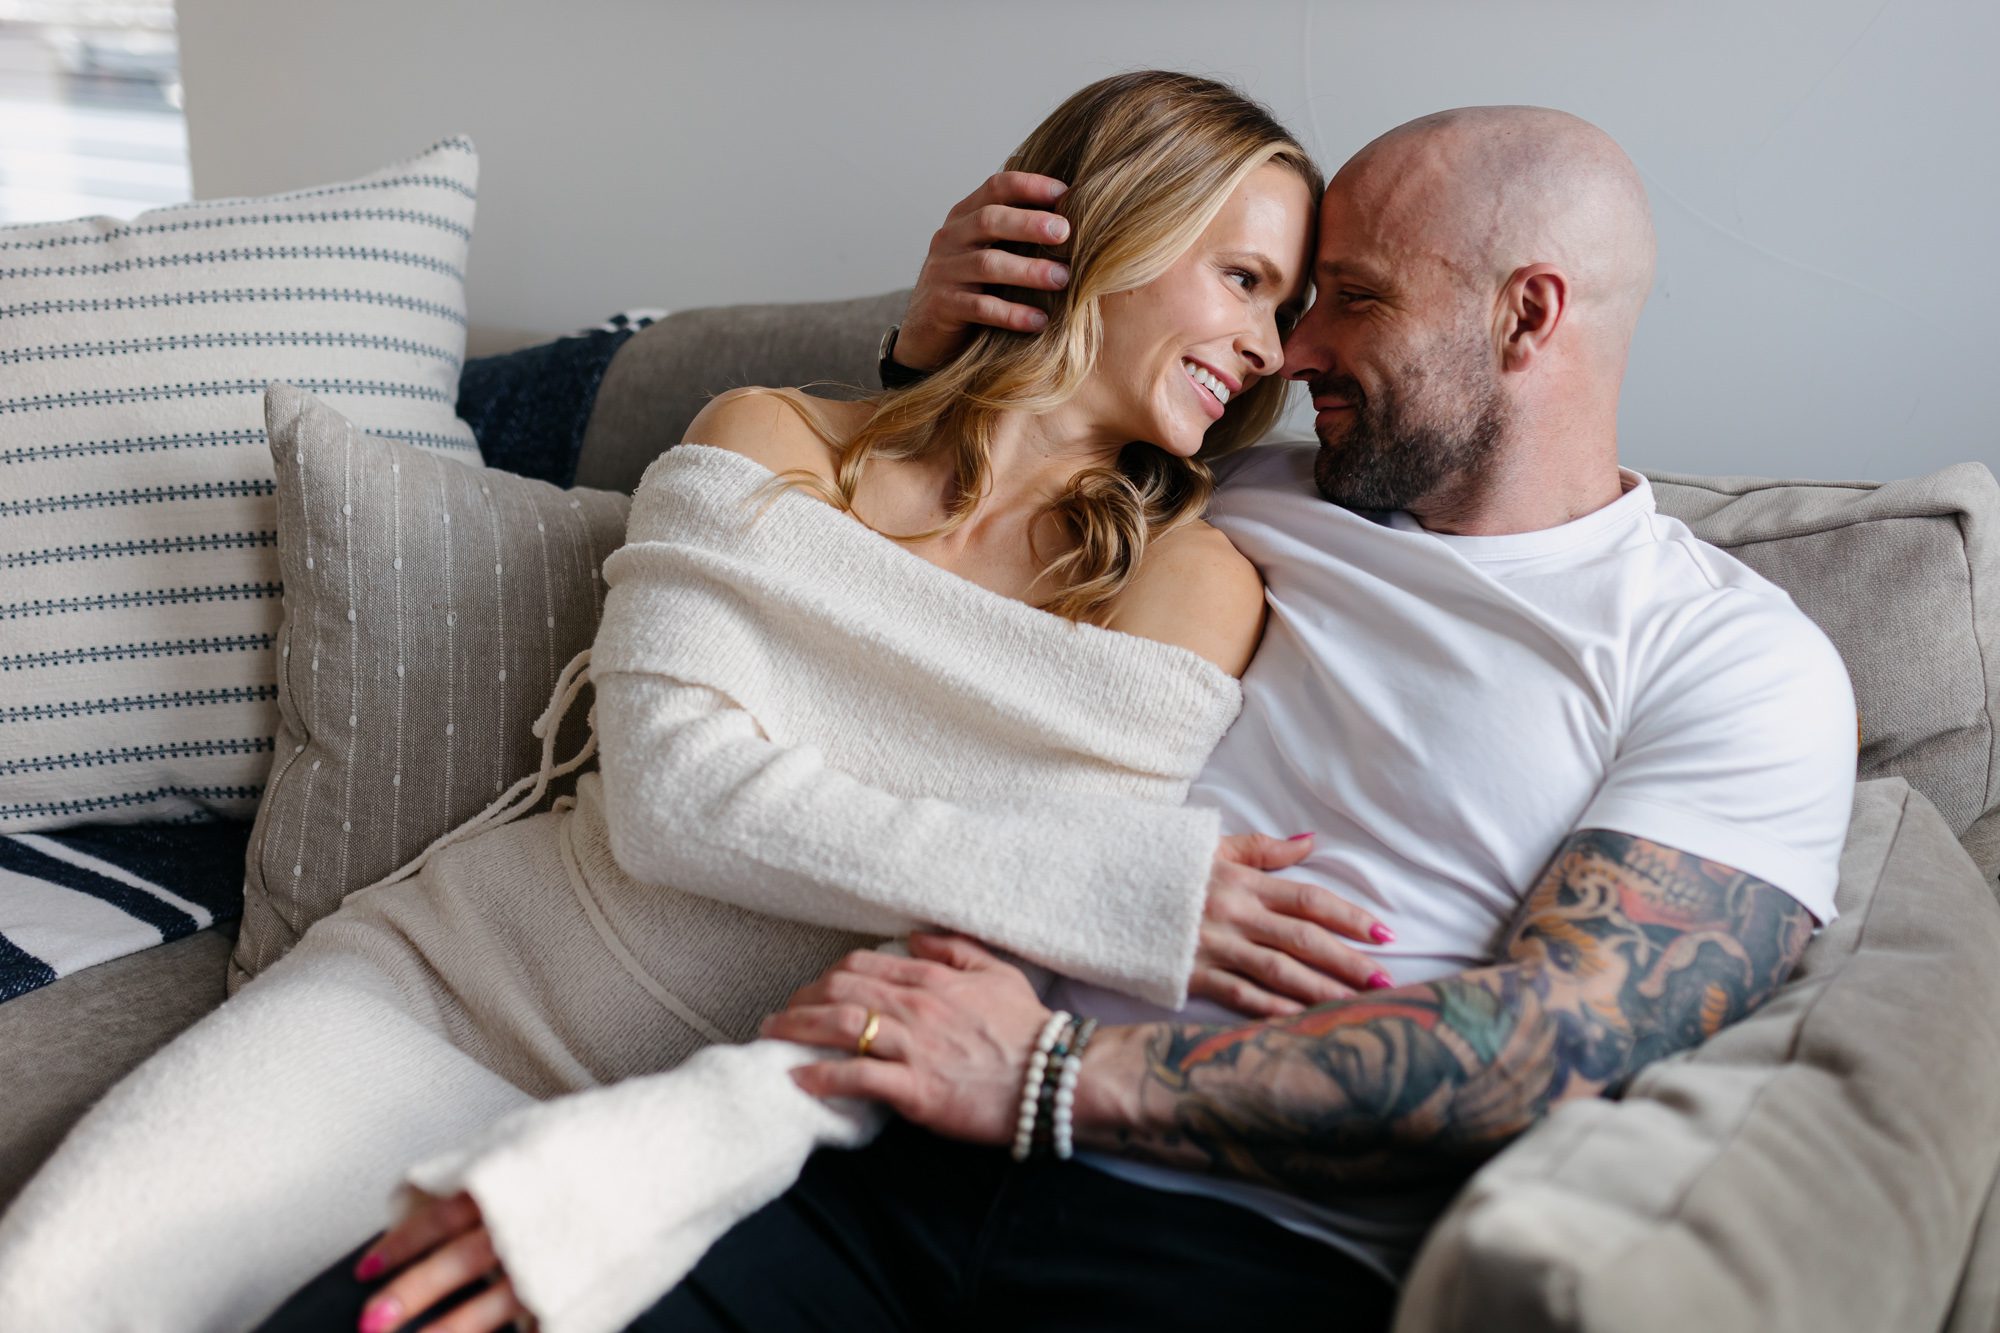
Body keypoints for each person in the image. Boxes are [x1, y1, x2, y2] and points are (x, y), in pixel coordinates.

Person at [297, 105, 1858, 1332]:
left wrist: (1046, 1074)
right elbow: (905, 537)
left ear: (1530, 316)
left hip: (1237, 1244)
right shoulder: (1230, 485)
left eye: (1356, 301)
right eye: (1288, 299)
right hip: (879, 1143)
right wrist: (932, 346)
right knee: (377, 1306)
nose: (1291, 352)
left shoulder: (1726, 656)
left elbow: (1550, 1048)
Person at [0, 72, 1393, 1333]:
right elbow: (672, 799)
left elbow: (968, 956)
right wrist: (1117, 885)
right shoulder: (767, 435)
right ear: (1108, 232)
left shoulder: (1191, 580)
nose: (1270, 348)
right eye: (1245, 279)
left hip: (711, 1093)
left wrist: (677, 1140)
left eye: (1285, 309)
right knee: (55, 1284)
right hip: (434, 994)